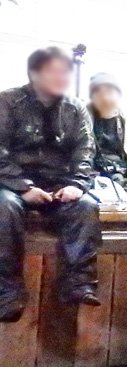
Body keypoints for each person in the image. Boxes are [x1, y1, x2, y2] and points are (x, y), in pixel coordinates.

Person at [0, 48, 101, 322]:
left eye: (66, 72)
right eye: (54, 71)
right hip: (12, 183)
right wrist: (23, 187)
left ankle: (78, 285)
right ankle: (6, 292)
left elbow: (84, 151)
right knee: (5, 207)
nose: (62, 78)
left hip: (57, 183)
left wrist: (77, 185)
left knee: (86, 206)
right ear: (34, 73)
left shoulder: (76, 107)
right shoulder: (8, 101)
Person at [88, 73, 127, 208]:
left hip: (123, 174)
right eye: (100, 93)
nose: (106, 98)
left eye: (110, 92)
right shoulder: (85, 114)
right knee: (93, 208)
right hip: (94, 175)